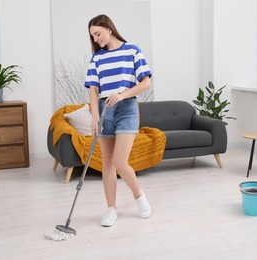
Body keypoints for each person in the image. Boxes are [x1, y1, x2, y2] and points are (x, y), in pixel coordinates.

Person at [85, 14, 152, 227]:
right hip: (105, 111)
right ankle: (111, 209)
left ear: (109, 29)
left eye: (98, 34)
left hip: (127, 108)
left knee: (121, 162)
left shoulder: (132, 50)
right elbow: (94, 91)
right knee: (107, 163)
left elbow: (145, 83)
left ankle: (139, 197)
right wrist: (95, 117)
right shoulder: (97, 58)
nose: (96, 39)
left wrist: (122, 95)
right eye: (93, 36)